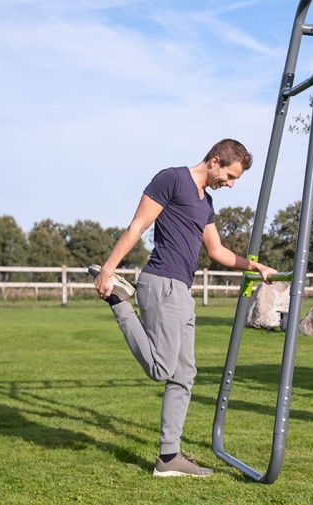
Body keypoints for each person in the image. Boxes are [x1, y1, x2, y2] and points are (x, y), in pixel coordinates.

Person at [89, 139, 277, 478]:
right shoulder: (172, 179)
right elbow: (138, 226)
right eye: (230, 175)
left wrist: (256, 266)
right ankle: (119, 301)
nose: (231, 184)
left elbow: (217, 251)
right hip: (161, 283)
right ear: (215, 161)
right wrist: (108, 268)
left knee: (184, 374)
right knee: (163, 369)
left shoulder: (206, 204)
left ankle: (169, 457)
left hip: (181, 292)